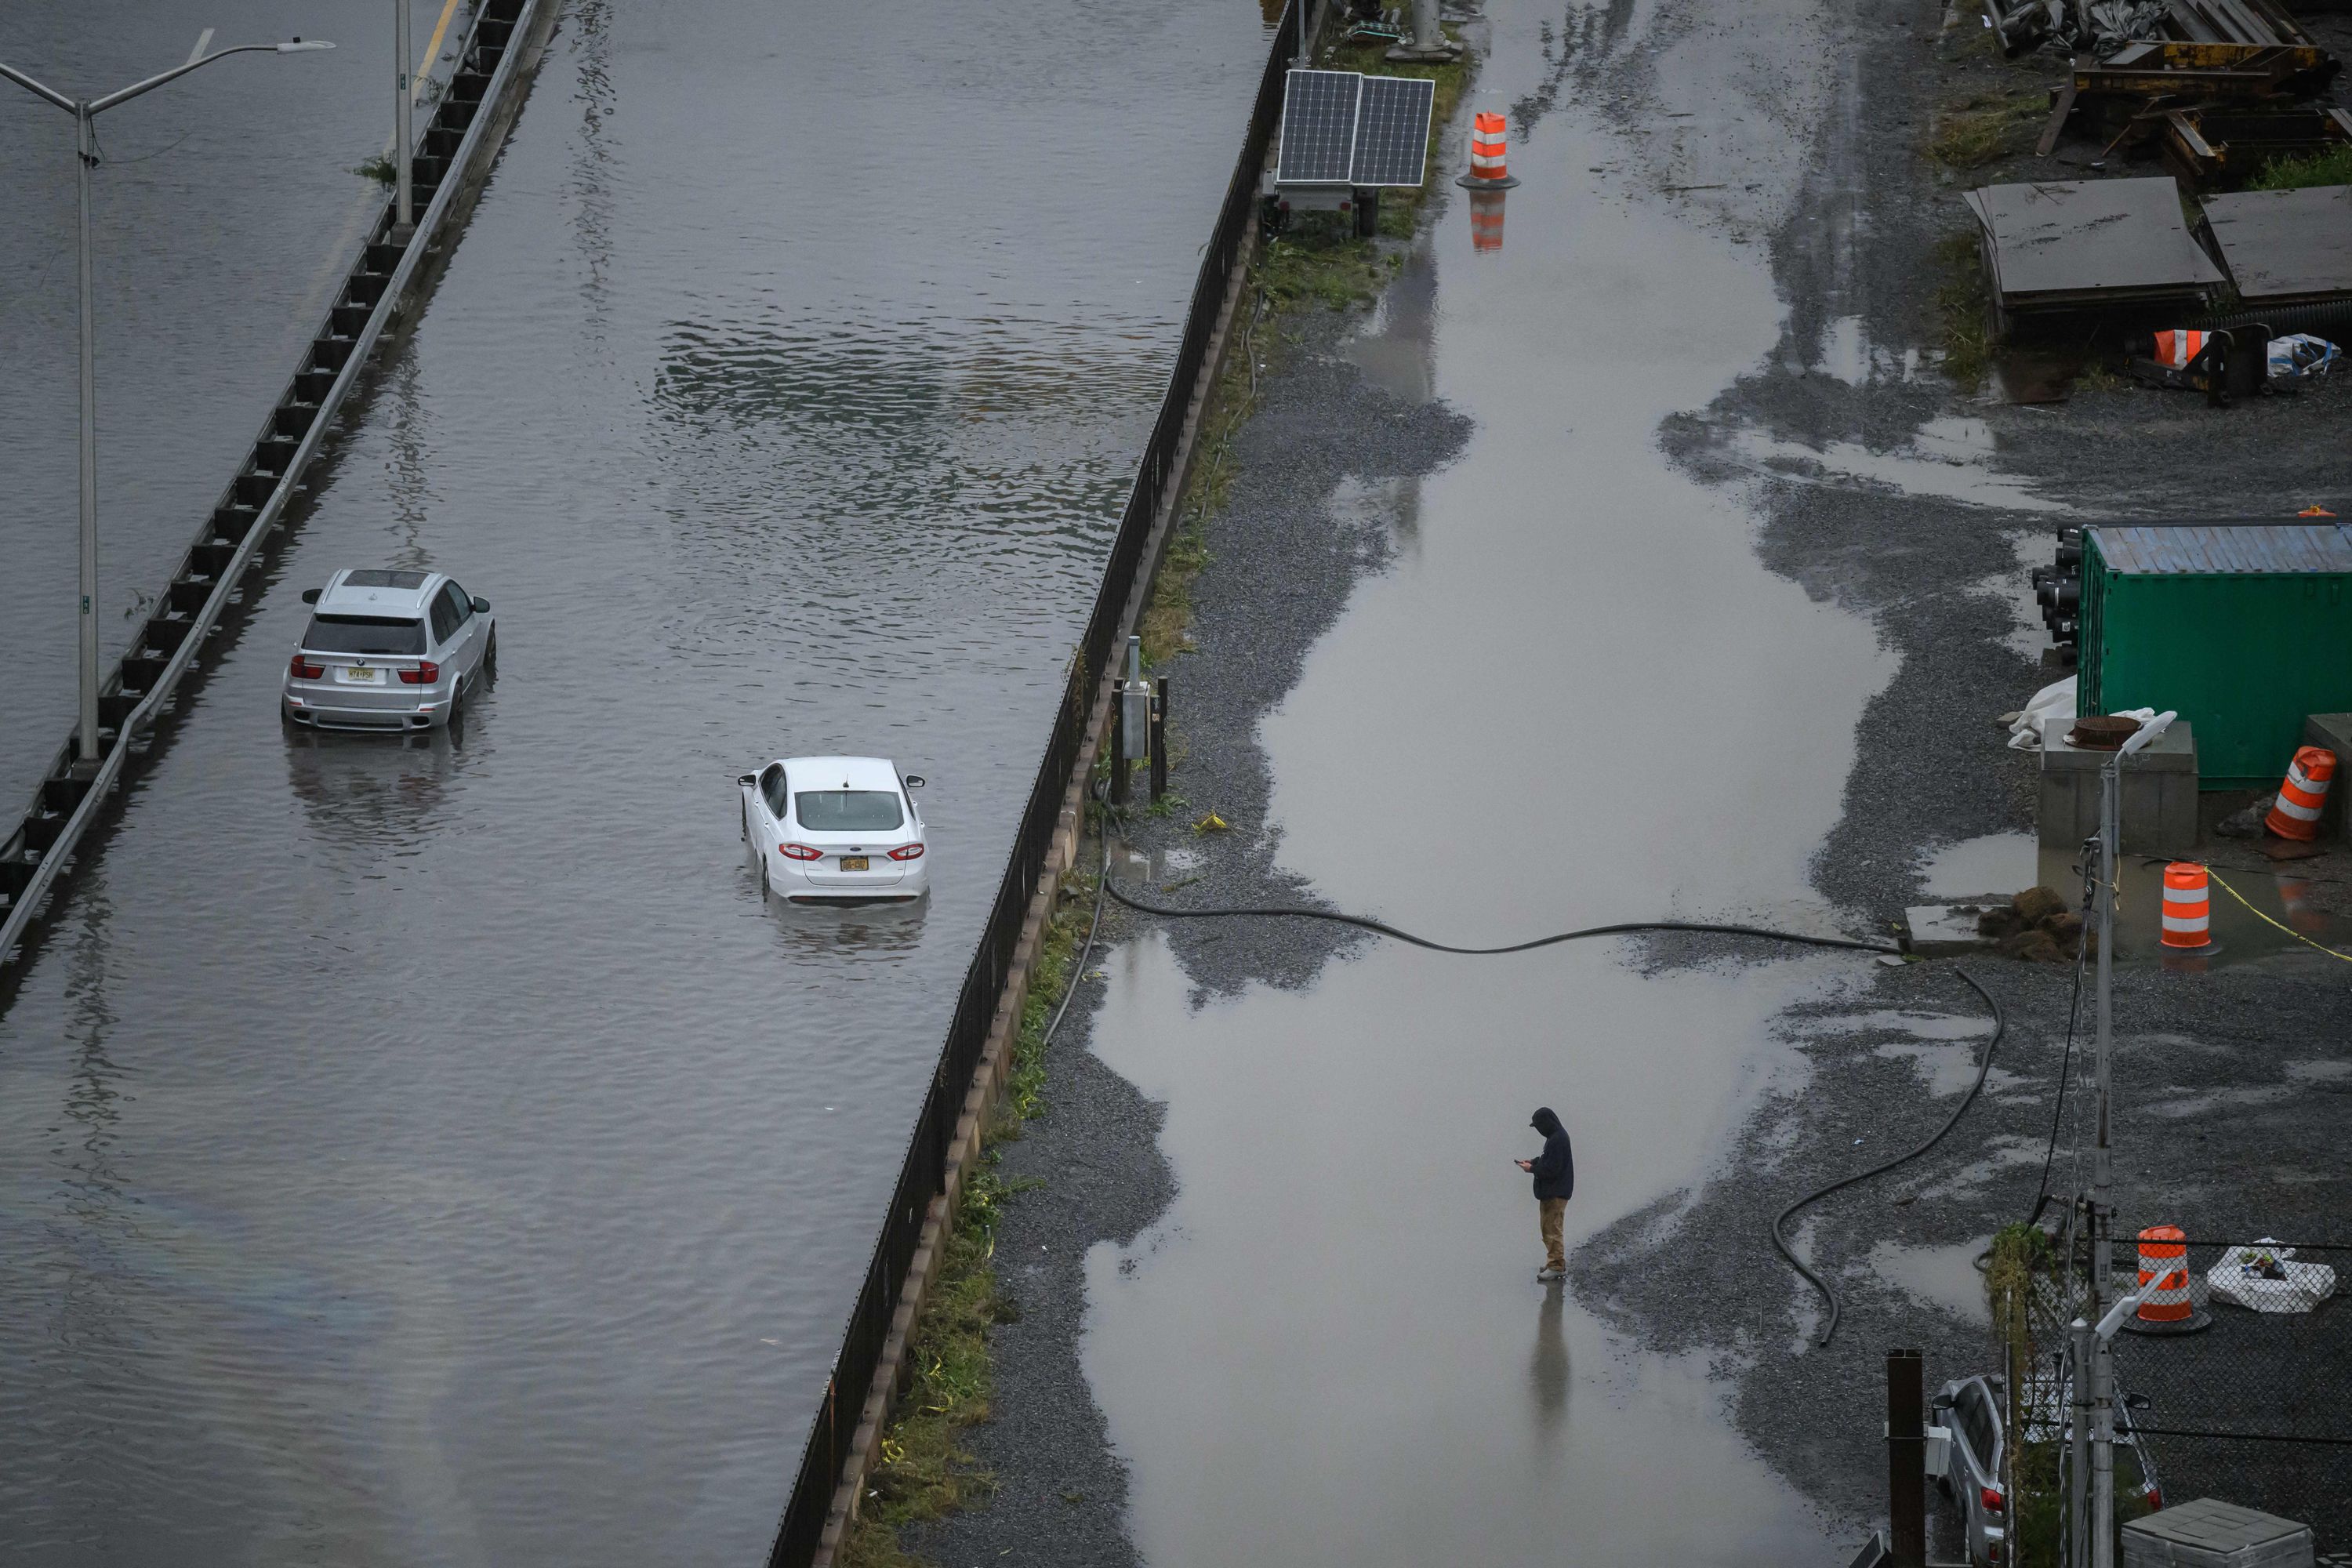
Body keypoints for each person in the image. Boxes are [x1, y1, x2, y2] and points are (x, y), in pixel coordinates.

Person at [1514, 1106, 1574, 1282]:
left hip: (1556, 1192)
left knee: (1552, 1229)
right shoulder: (1555, 1137)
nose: (1539, 1130)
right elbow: (1548, 1160)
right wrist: (1533, 1161)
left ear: (1546, 1123)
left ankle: (1556, 1266)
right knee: (1548, 1228)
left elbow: (1552, 1169)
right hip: (1553, 1191)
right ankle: (1553, 1261)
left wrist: (1531, 1169)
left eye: (1539, 1126)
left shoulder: (1558, 1139)